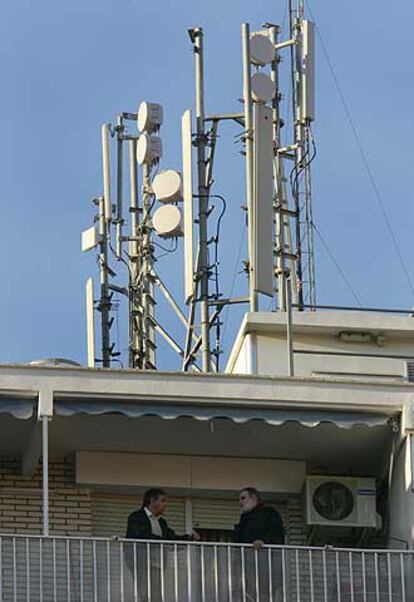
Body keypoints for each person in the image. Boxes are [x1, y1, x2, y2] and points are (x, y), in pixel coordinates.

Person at [125, 488, 199, 601]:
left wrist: (189, 538)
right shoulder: (136, 517)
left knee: (156, 595)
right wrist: (160, 541)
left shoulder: (161, 522)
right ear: (152, 501)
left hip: (157, 565)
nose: (165, 504)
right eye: (163, 501)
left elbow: (172, 538)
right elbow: (137, 536)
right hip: (141, 563)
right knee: (145, 593)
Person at [234, 487, 285, 601]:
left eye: (243, 498)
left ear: (254, 498)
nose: (240, 502)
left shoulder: (269, 513)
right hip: (248, 568)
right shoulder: (244, 520)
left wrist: (263, 542)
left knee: (264, 595)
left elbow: (277, 534)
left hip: (266, 566)